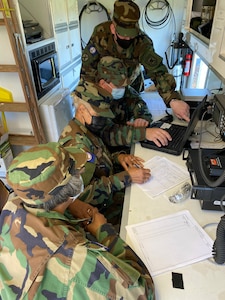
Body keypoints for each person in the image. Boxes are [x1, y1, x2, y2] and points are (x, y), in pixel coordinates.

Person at [0, 142, 155, 299]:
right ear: (72, 187)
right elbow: (143, 292)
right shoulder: (75, 256)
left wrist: (69, 204)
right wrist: (104, 232)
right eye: (78, 171)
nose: (82, 172)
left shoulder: (12, 205)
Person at [80, 0, 190, 123]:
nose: (128, 39)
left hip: (131, 83)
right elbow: (88, 69)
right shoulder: (100, 34)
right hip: (105, 85)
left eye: (131, 35)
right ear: (113, 28)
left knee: (132, 115)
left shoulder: (142, 42)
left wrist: (173, 100)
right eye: (123, 35)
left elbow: (157, 71)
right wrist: (90, 96)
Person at [59, 87, 151, 226]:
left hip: (110, 194)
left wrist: (119, 157)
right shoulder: (76, 145)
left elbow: (100, 160)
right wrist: (126, 177)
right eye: (98, 114)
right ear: (82, 109)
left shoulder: (86, 129)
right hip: (101, 210)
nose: (102, 120)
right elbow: (82, 196)